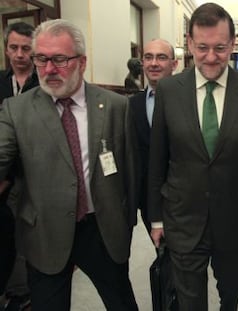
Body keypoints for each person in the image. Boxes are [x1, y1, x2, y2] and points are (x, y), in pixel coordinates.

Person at [147, 3, 238, 311]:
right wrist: (156, 218)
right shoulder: (169, 90)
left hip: (236, 221)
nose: (211, 57)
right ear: (188, 43)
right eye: (202, 47)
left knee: (231, 294)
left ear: (233, 44)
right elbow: (157, 159)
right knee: (189, 301)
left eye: (220, 48)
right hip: (183, 218)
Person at [0, 19, 140, 311]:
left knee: (122, 304)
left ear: (82, 61)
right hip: (45, 233)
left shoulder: (115, 106)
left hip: (102, 229)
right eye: (42, 59)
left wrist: (128, 220)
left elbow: (130, 170)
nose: (49, 69)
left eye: (60, 59)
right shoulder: (16, 110)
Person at [0, 21, 39, 311]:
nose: (19, 54)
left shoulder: (45, 81)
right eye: (13, 47)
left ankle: (25, 291)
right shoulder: (1, 83)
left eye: (26, 48)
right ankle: (13, 290)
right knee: (7, 234)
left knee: (31, 235)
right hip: (5, 176)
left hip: (36, 173)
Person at [129, 39, 177, 234]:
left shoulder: (189, 102)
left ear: (174, 64)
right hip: (148, 197)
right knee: (162, 252)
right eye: (148, 57)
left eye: (161, 57)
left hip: (184, 198)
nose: (154, 63)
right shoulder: (132, 105)